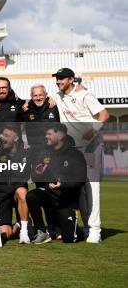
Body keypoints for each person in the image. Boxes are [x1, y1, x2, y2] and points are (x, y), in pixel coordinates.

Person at [49, 68, 109, 243]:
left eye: (61, 79)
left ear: (70, 79)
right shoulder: (58, 96)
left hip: (90, 147)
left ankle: (95, 229)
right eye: (57, 79)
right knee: (73, 189)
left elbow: (104, 115)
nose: (58, 81)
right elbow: (44, 100)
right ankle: (80, 227)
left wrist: (93, 130)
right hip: (72, 150)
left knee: (92, 188)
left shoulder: (84, 95)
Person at [27, 123, 87, 244]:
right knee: (31, 196)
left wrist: (63, 184)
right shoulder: (44, 153)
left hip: (66, 199)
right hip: (50, 194)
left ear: (60, 135)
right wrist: (39, 174)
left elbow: (80, 179)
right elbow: (34, 176)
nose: (46, 136)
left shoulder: (75, 154)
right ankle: (42, 231)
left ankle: (75, 227)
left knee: (69, 239)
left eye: (49, 134)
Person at [0, 125, 31, 243]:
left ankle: (24, 232)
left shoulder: (26, 153)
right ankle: (18, 226)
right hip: (1, 195)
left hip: (17, 191)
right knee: (5, 233)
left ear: (16, 138)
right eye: (2, 135)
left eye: (6, 135)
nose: (2, 138)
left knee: (22, 192)